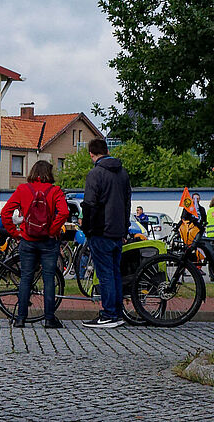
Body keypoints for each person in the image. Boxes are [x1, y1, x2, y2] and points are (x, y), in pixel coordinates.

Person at [0, 159, 69, 329]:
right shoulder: (55, 191)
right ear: (49, 173)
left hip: (27, 240)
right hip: (48, 242)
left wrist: (14, 232)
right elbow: (64, 212)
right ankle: (49, 319)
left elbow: (5, 212)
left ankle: (20, 318)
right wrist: (51, 230)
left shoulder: (23, 189)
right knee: (48, 280)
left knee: (25, 279)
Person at [80, 134, 133, 329]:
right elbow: (127, 203)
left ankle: (109, 314)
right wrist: (125, 228)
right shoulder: (123, 173)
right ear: (108, 151)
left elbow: (90, 204)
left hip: (100, 230)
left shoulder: (96, 174)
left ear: (92, 154)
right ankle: (117, 313)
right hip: (118, 230)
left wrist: (87, 228)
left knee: (105, 274)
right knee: (115, 273)